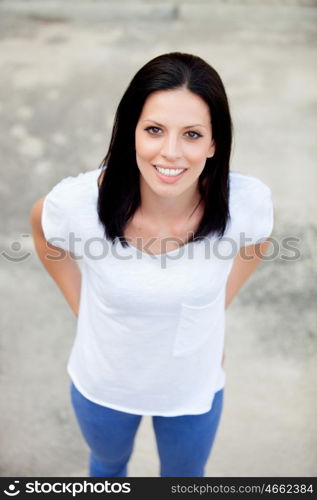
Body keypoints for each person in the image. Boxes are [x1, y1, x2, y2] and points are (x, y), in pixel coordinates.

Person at [29, 52, 274, 477]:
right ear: (131, 133)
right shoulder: (79, 203)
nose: (171, 153)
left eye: (193, 134)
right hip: (104, 385)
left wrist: (218, 305)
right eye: (155, 130)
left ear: (215, 143)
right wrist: (80, 303)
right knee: (107, 466)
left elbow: (256, 245)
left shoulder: (247, 203)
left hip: (193, 385)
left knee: (183, 481)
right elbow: (41, 227)